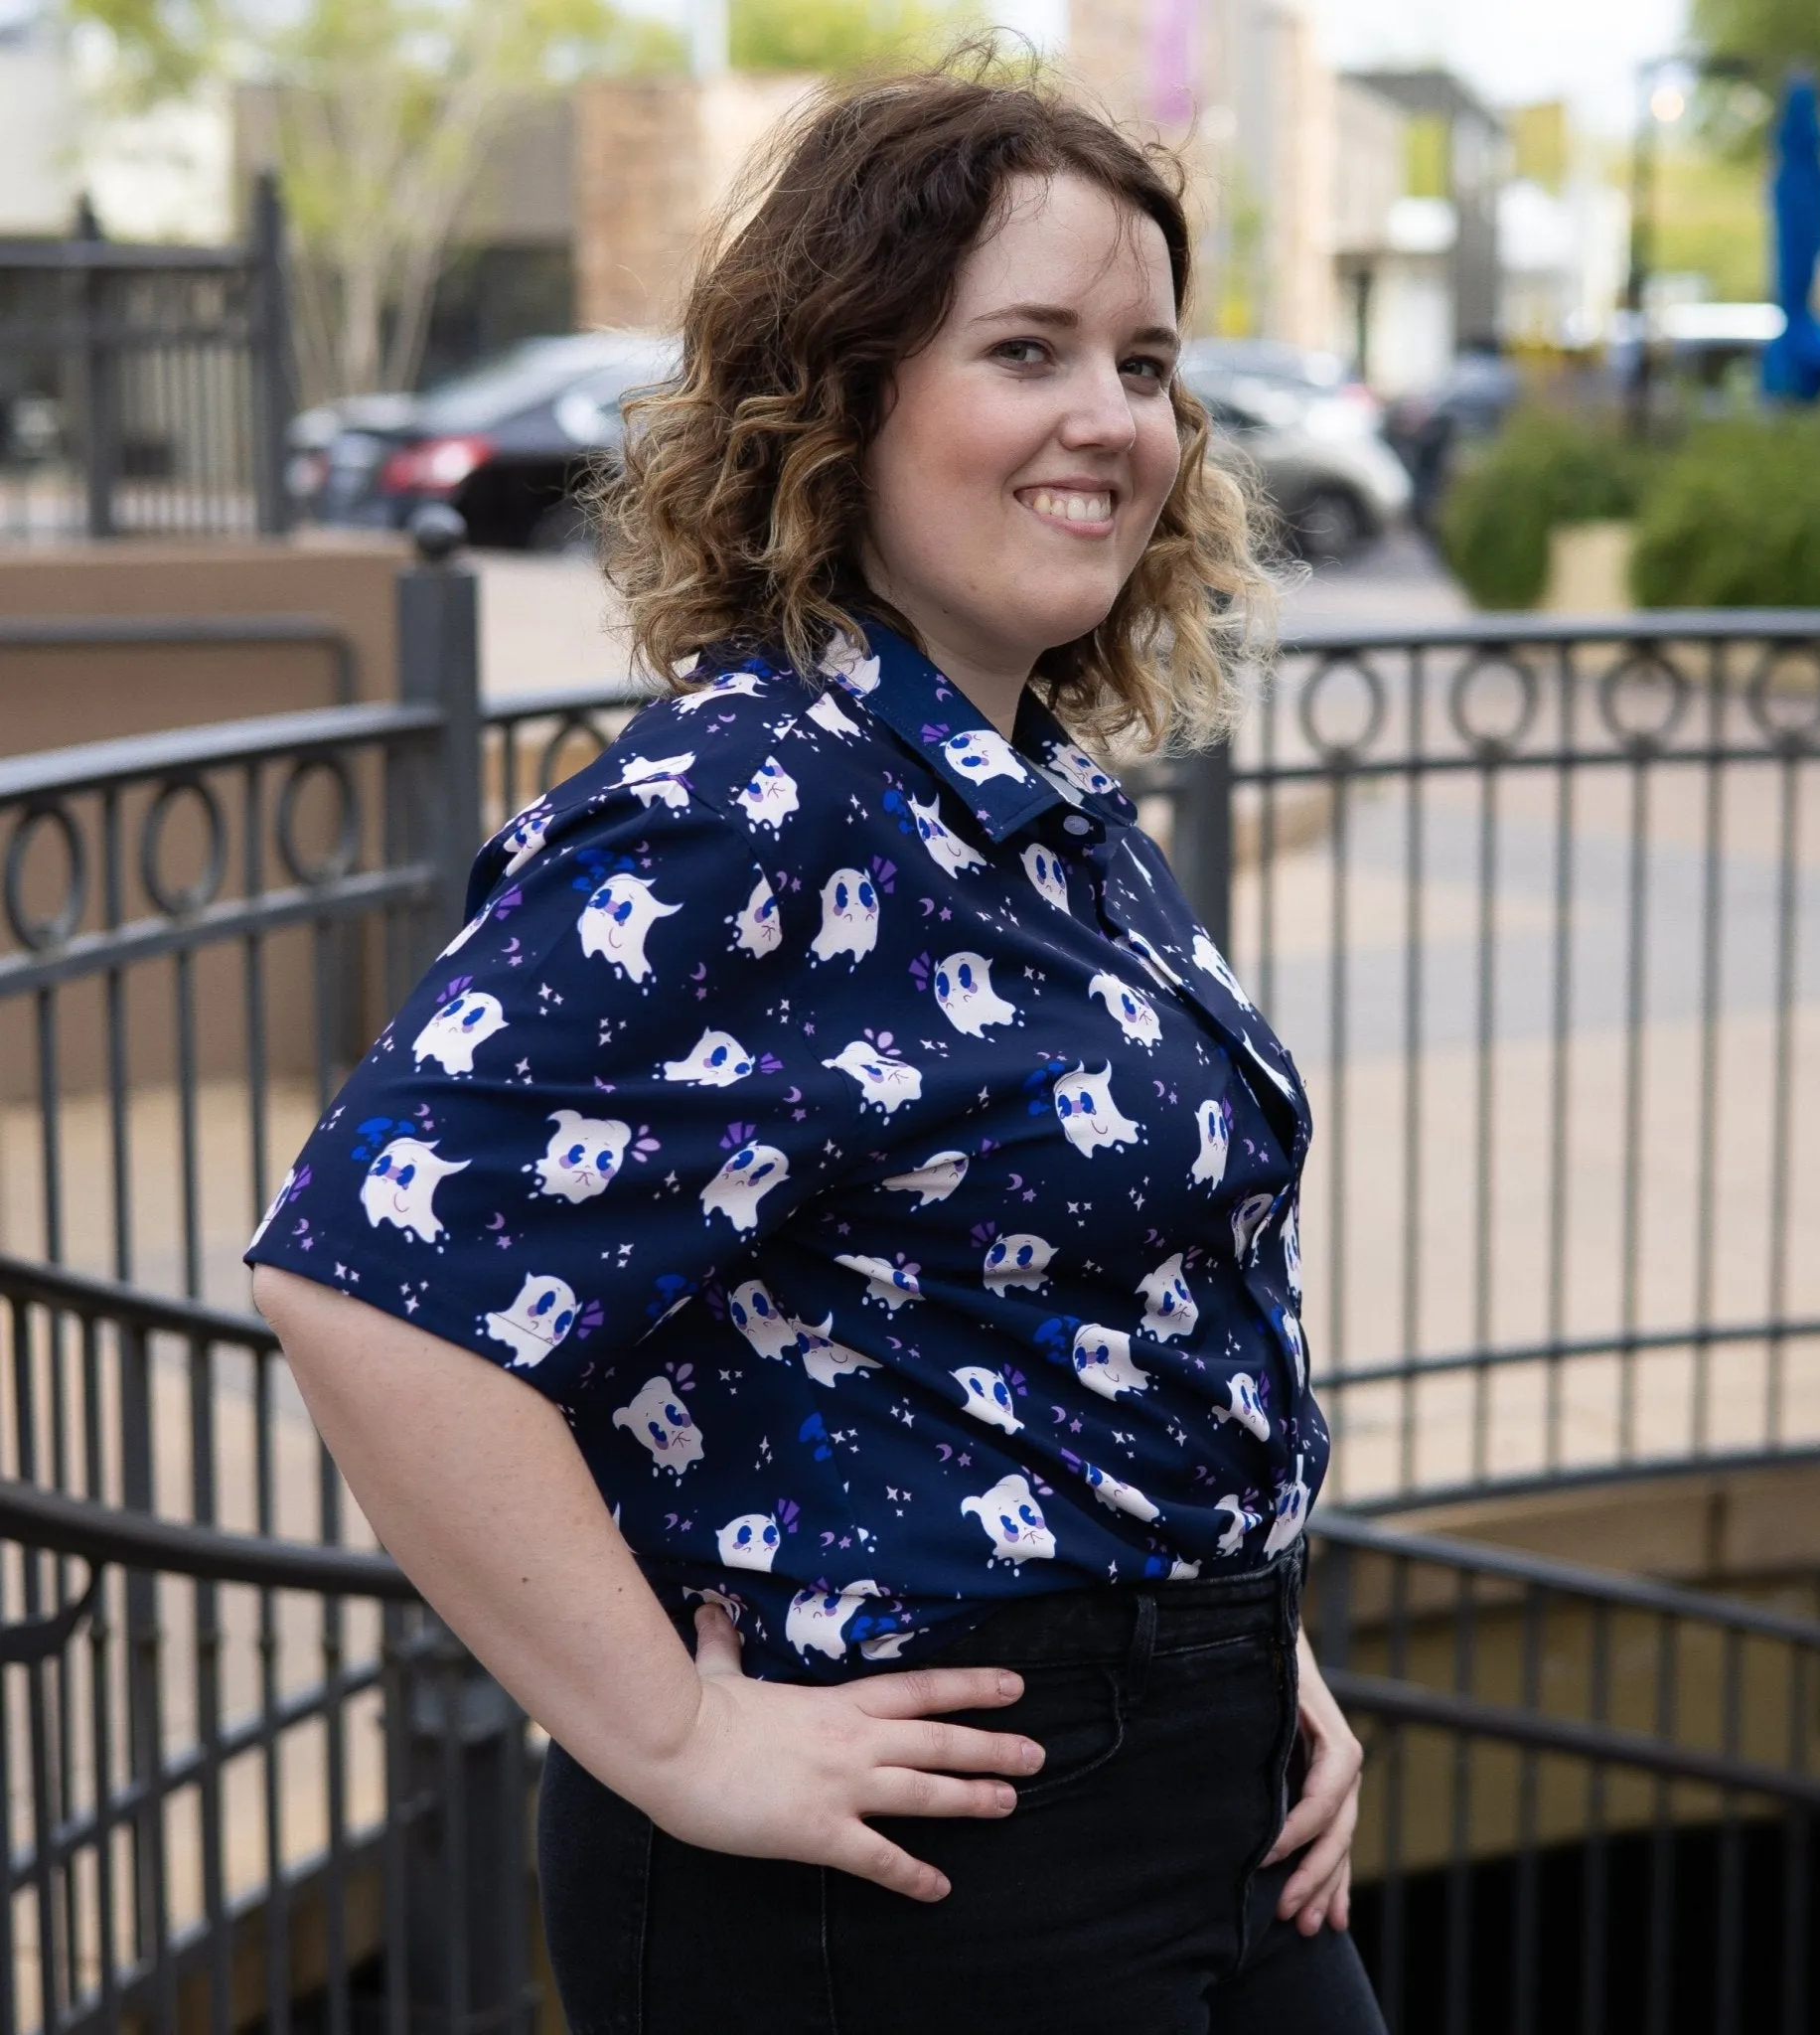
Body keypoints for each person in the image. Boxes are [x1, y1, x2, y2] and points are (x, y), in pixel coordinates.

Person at [248, 52, 1384, 2035]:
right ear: (840, 398)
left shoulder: (1029, 802)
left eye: (1143, 361)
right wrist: (674, 1735)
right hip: (912, 1878)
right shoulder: (749, 804)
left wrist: (1244, 1635)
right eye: (1026, 349)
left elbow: (1098, 1305)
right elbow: (370, 1279)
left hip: (1204, 1787)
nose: (1110, 420)